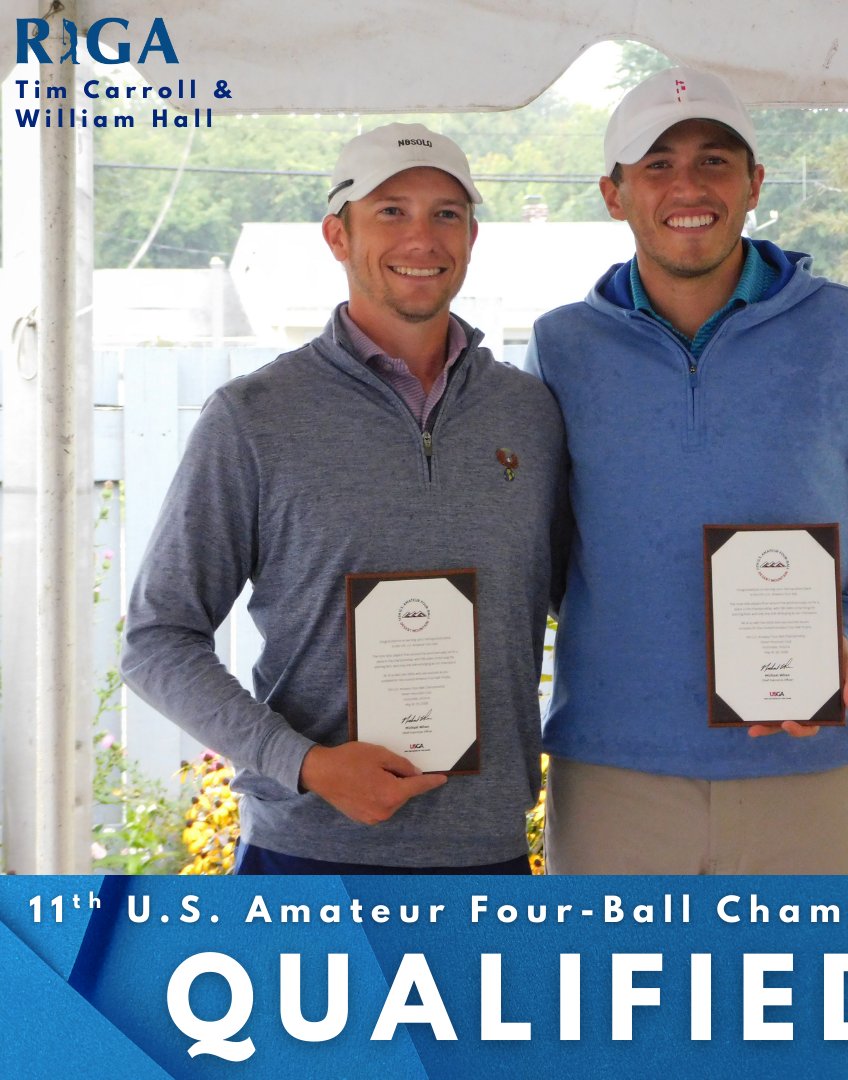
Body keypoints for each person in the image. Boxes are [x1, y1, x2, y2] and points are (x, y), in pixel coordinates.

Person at [525, 68, 848, 874]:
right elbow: (540, 554)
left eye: (715, 160)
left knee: (827, 968)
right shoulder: (562, 347)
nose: (688, 186)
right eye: (657, 164)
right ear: (613, 194)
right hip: (613, 777)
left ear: (754, 184)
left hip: (813, 771)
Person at [121, 123, 568, 874]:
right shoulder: (255, 417)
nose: (422, 238)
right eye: (391, 211)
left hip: (488, 854)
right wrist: (305, 764)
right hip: (305, 855)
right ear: (338, 235)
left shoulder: (529, 413)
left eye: (446, 214)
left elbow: (584, 598)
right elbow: (158, 639)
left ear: (471, 237)